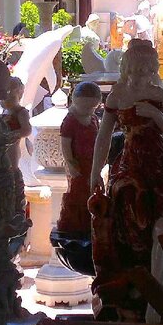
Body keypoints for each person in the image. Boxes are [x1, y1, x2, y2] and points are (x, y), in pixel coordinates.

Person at [88, 39, 163, 321]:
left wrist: (155, 114)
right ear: (127, 68)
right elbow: (103, 137)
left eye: (146, 70)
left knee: (160, 225)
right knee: (127, 226)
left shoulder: (156, 93)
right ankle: (135, 288)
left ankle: (157, 292)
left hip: (157, 165)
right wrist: (95, 172)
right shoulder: (117, 95)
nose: (141, 76)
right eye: (136, 70)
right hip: (129, 165)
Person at [57, 82, 101, 233]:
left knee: (93, 190)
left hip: (92, 163)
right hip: (78, 164)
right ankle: (77, 226)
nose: (88, 110)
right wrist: (70, 163)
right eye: (85, 107)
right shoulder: (70, 121)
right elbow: (65, 144)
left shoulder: (93, 119)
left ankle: (91, 223)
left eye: (92, 107)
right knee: (78, 193)